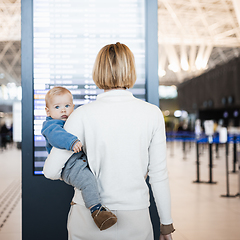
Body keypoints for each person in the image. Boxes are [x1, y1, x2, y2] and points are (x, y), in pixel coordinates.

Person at [43, 42, 175, 240]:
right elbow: (159, 175)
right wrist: (166, 225)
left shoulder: (81, 115)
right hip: (136, 218)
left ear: (98, 71)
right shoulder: (152, 114)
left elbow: (50, 171)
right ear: (131, 69)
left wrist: (78, 175)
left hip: (87, 218)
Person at [41, 86, 117, 231]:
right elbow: (57, 136)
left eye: (67, 106)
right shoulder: (51, 125)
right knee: (87, 181)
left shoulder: (72, 120)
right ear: (48, 111)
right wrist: (72, 142)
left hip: (78, 161)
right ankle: (96, 211)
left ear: (73, 107)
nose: (63, 110)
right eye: (57, 107)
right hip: (69, 166)